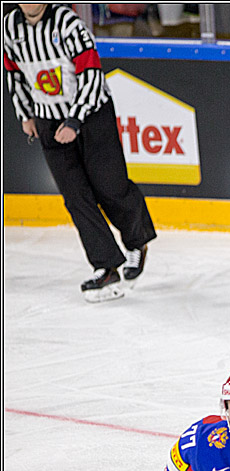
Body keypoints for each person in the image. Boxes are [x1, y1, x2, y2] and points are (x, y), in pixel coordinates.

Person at [3, 4, 156, 303]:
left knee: (110, 186)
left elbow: (91, 72)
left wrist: (75, 120)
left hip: (91, 115)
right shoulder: (9, 28)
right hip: (48, 119)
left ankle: (137, 241)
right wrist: (25, 114)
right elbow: (13, 73)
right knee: (76, 197)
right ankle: (106, 266)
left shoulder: (67, 23)